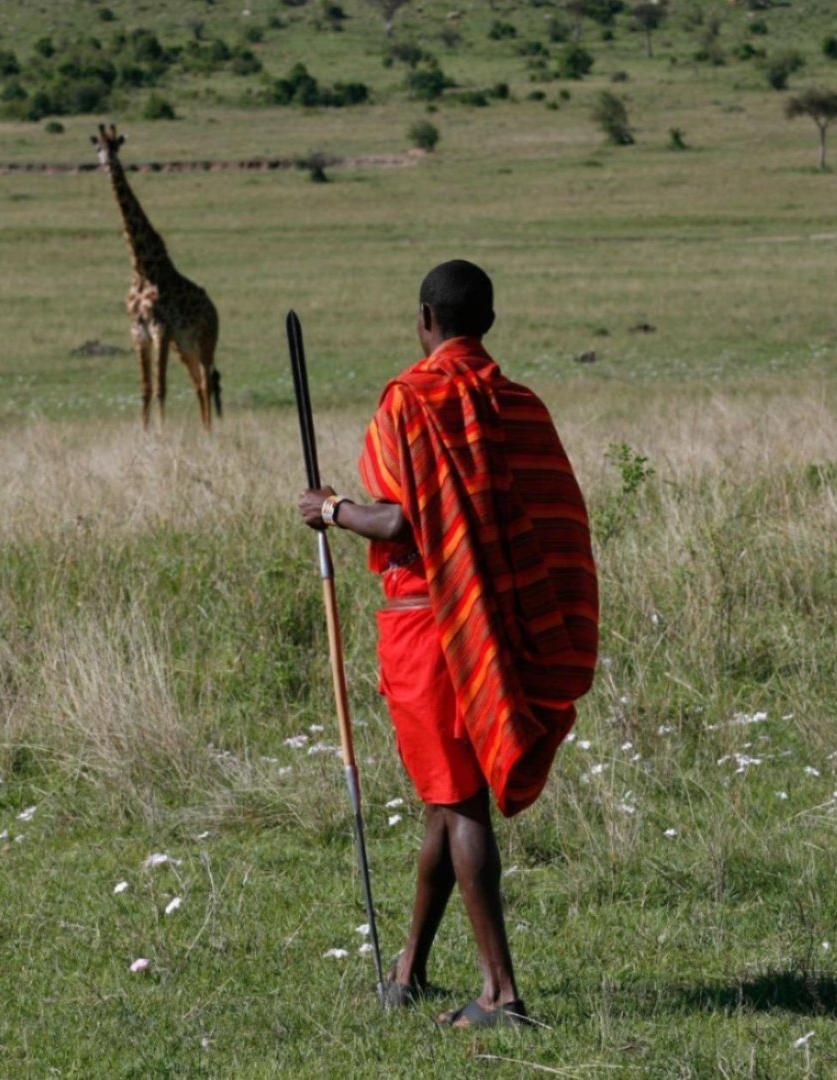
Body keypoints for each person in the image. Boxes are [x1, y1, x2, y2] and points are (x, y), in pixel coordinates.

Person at [298, 260, 598, 1028]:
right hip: (496, 623)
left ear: (426, 319)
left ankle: (500, 994)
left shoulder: (410, 399)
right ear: (486, 321)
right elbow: (556, 517)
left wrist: (332, 509)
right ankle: (409, 971)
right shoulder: (522, 406)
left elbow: (398, 521)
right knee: (444, 798)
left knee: (461, 804)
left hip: (431, 627)